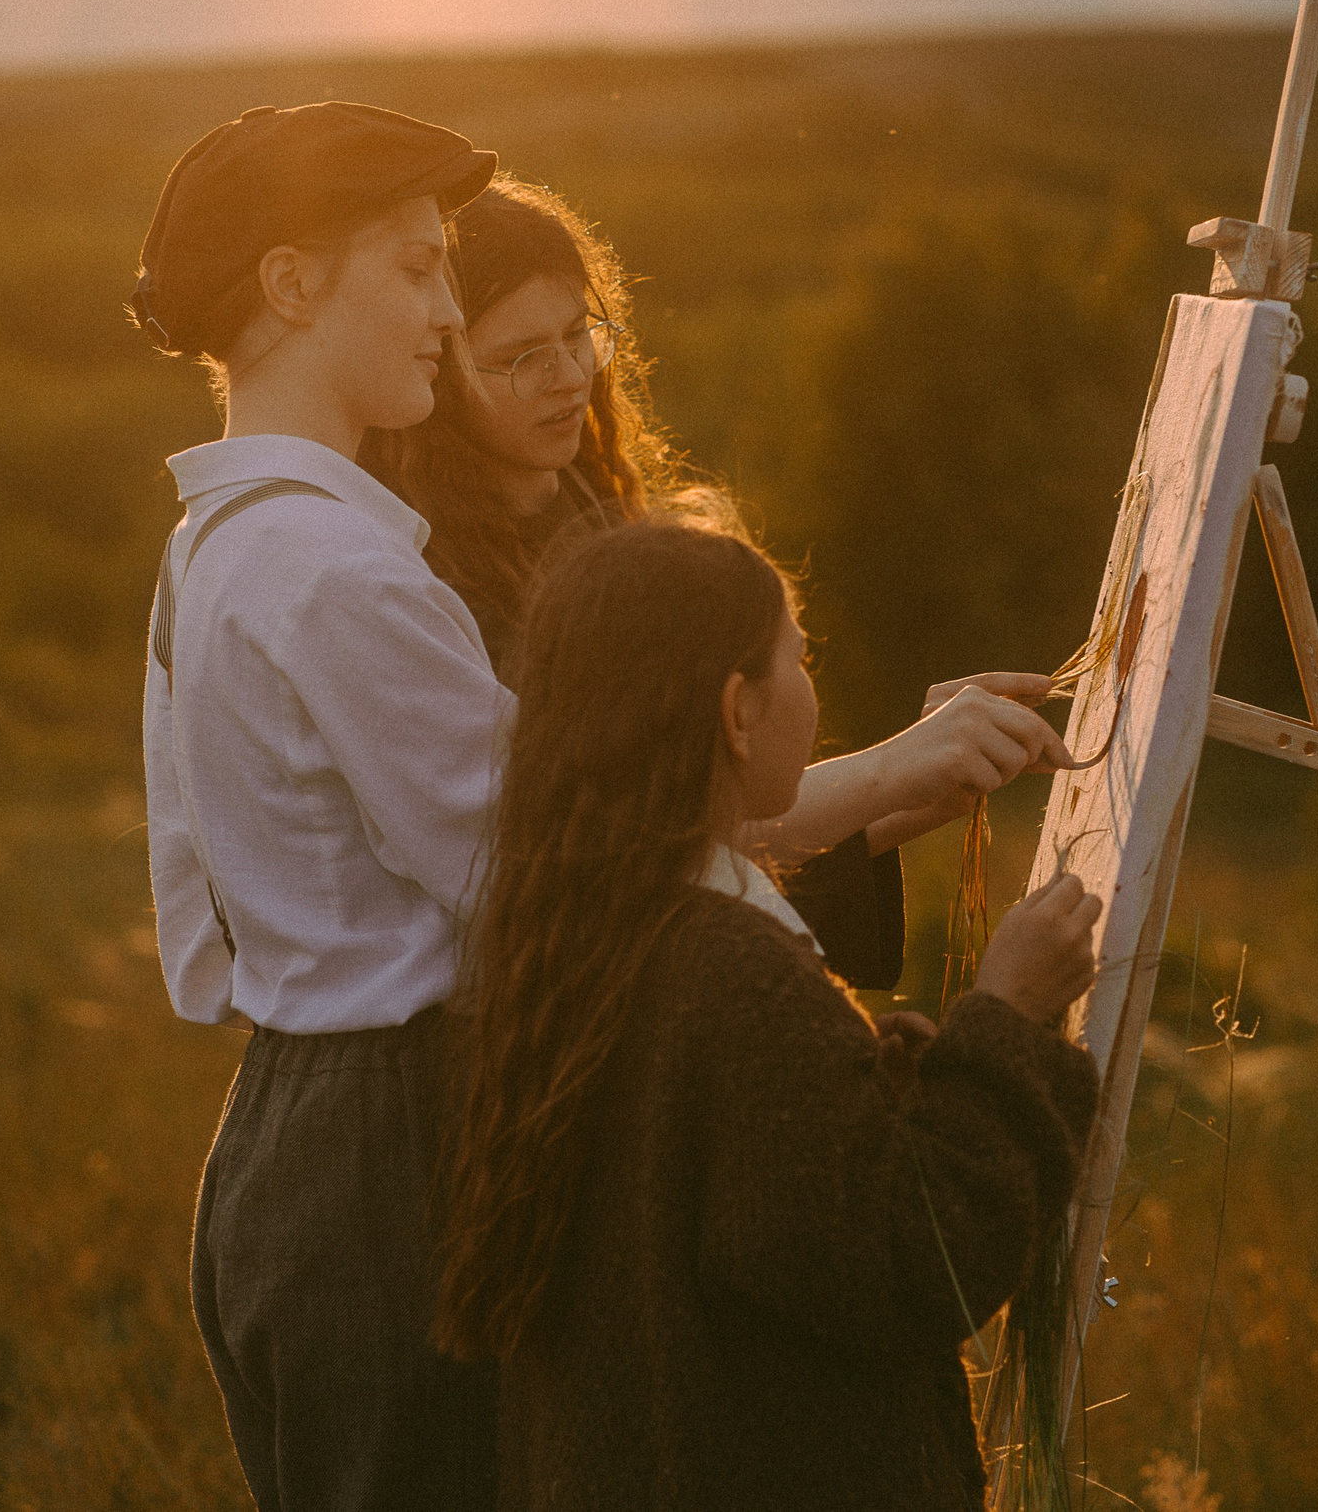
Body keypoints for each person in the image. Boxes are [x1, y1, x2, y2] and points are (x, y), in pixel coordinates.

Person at [133, 106, 1077, 1509]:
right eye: (412, 269)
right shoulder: (336, 571)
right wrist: (885, 814)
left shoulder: (225, 540)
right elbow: (571, 859)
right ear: (287, 286)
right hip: (388, 1136)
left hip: (309, 1120)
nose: (441, 311)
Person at [435, 520, 1103, 1511]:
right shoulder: (727, 974)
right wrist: (1005, 1015)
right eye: (800, 657)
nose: (810, 685)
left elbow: (777, 1197)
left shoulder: (582, 927)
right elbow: (908, 1262)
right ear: (736, 713)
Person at [362, 176, 1051, 986]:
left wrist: (908, 788)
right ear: (436, 373)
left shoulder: (595, 511)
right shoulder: (420, 584)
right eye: (520, 358)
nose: (568, 375)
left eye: (578, 334)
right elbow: (615, 861)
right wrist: (886, 771)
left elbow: (705, 821)